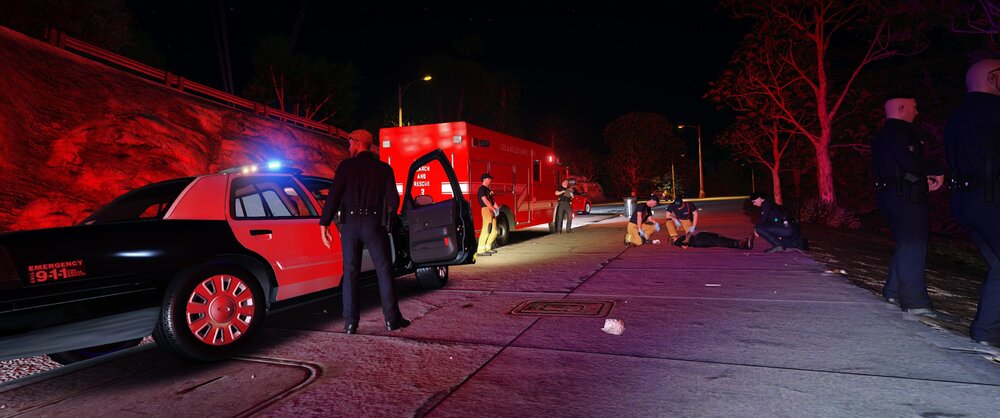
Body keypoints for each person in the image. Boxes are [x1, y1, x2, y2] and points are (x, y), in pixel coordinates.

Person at [320, 129, 409, 334]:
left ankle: (350, 323)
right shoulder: (383, 169)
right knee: (384, 271)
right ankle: (392, 320)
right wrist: (387, 223)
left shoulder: (345, 167)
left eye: (350, 142)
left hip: (350, 225)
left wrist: (324, 223)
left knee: (350, 273)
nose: (348, 147)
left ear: (358, 142)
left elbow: (333, 196)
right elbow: (393, 200)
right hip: (373, 223)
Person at [872, 94, 945, 316]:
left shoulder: (883, 135)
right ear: (901, 108)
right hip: (906, 197)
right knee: (914, 244)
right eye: (914, 107)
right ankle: (915, 302)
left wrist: (922, 178)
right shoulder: (900, 132)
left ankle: (893, 291)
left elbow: (899, 166)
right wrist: (936, 169)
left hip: (890, 194)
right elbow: (908, 162)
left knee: (906, 243)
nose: (916, 111)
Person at [945, 59, 1000, 347]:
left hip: (964, 200)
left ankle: (986, 335)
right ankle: (986, 334)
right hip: (989, 198)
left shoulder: (958, 115)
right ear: (992, 78)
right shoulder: (993, 109)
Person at [476, 173, 499, 257]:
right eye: (489, 179)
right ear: (485, 179)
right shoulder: (482, 189)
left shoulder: (488, 190)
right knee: (486, 229)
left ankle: (487, 247)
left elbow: (493, 200)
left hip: (491, 210)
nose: (490, 180)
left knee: (494, 231)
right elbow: (484, 199)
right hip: (486, 209)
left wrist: (497, 209)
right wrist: (492, 208)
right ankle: (481, 250)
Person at [673, 231, 753, 250]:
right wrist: (688, 236)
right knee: (718, 241)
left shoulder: (678, 240)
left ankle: (741, 243)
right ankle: (740, 244)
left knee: (719, 238)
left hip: (699, 237)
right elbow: (685, 246)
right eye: (672, 237)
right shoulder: (677, 242)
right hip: (698, 240)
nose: (674, 235)